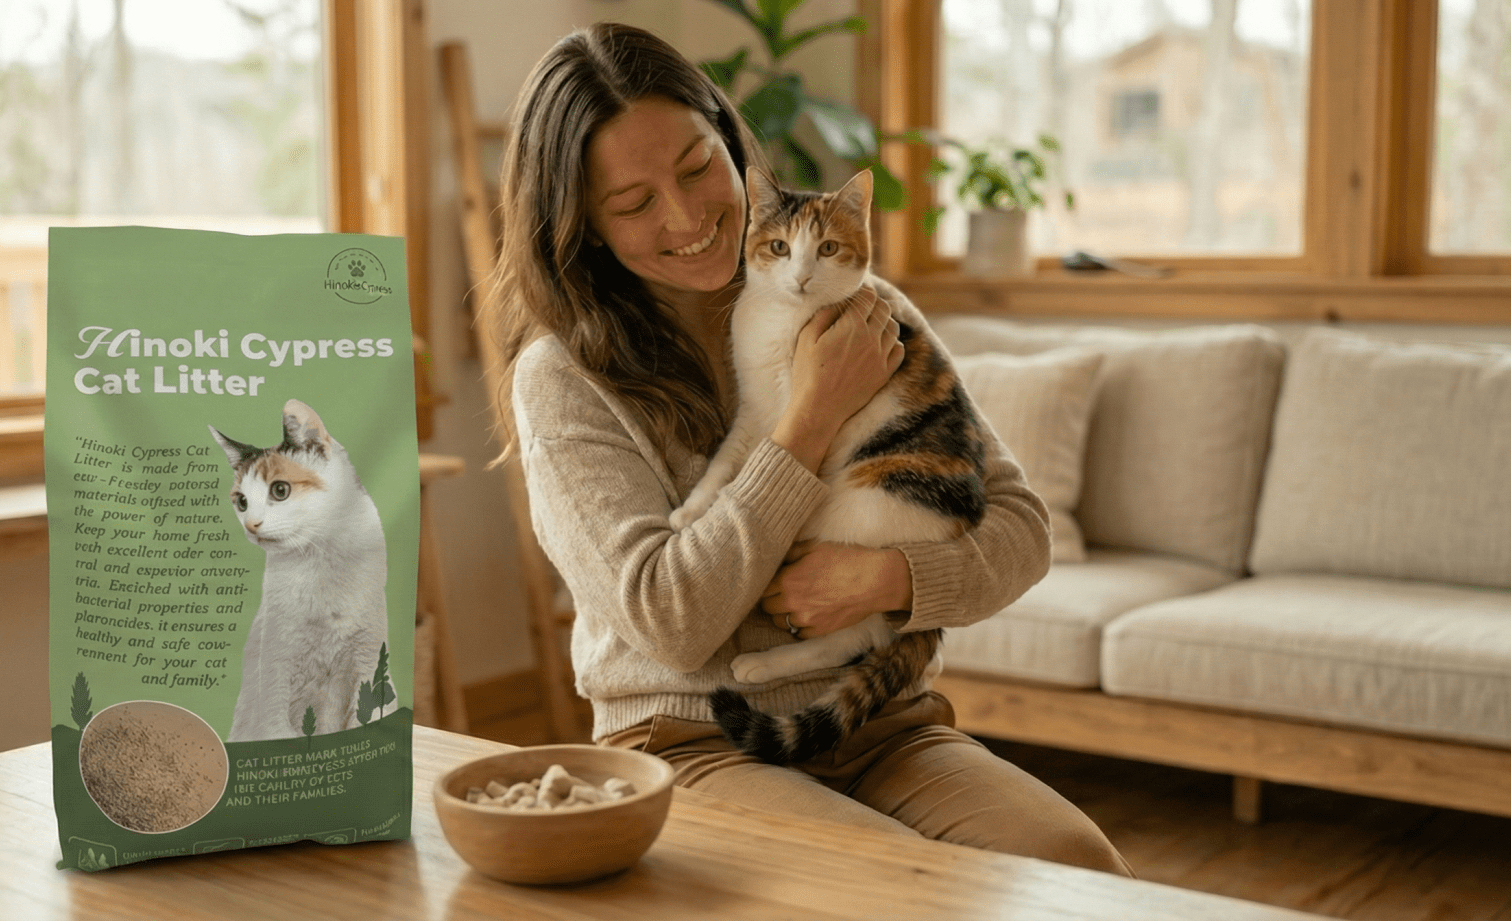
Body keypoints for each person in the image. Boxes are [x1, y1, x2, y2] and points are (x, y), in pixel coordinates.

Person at [484, 22, 1132, 877]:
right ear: (584, 226)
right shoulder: (562, 377)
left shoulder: (867, 307)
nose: (686, 217)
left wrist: (889, 579)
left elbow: (1021, 529)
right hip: (694, 741)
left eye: (695, 166)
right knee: (898, 888)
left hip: (882, 721)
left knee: (1079, 868)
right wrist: (812, 416)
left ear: (729, 138)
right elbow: (671, 622)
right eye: (634, 204)